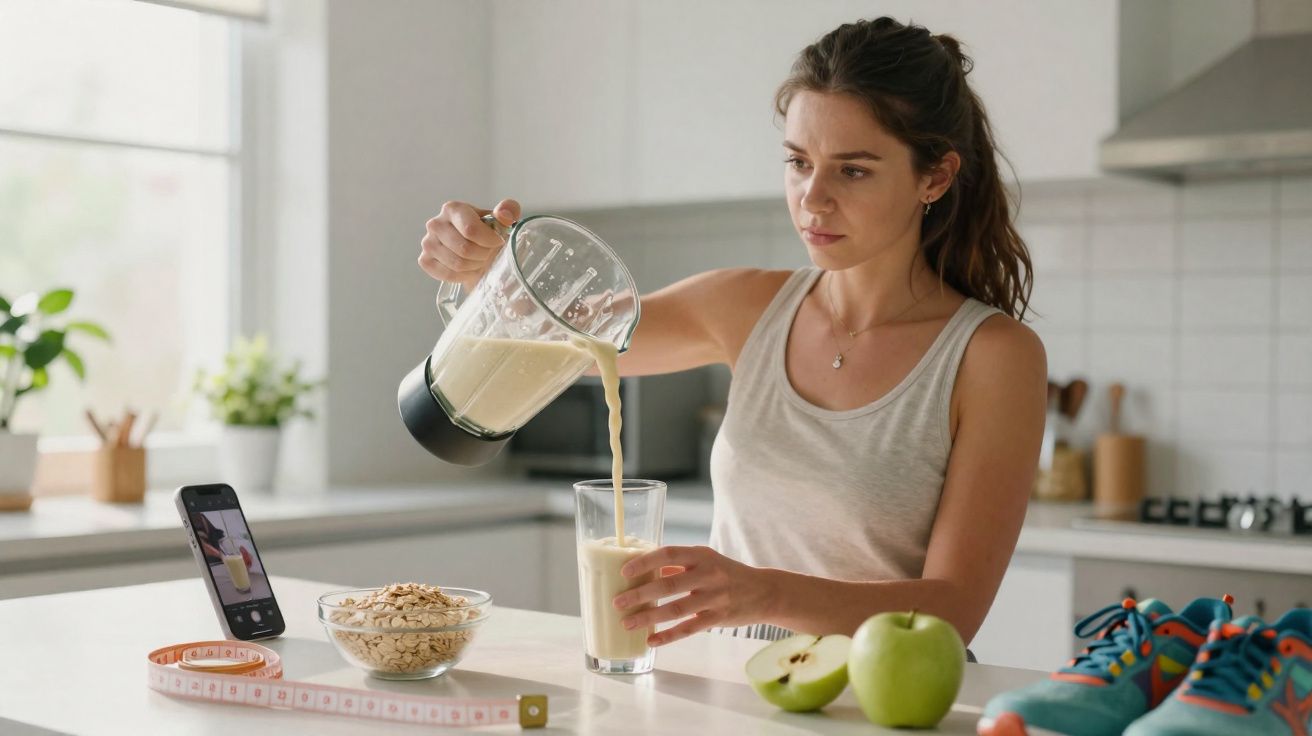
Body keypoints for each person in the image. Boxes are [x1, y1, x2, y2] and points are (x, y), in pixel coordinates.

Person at [418, 17, 1046, 650]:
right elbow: (557, 342)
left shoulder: (992, 357)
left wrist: (765, 593)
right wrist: (484, 268)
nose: (812, 199)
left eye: (852, 171)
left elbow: (952, 612)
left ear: (934, 177)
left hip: (889, 693)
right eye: (798, 162)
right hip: (732, 683)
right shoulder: (745, 306)